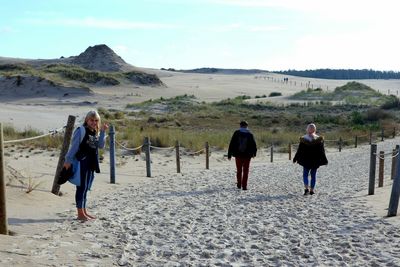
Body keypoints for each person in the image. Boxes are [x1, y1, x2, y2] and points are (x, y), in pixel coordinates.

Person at [64, 110, 108, 221]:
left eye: (96, 120)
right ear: (87, 120)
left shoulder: (95, 131)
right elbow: (73, 147)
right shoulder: (81, 130)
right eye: (91, 120)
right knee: (81, 187)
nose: (94, 122)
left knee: (85, 188)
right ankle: (80, 214)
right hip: (81, 163)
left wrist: (102, 131)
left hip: (91, 163)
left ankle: (84, 211)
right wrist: (68, 160)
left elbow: (101, 146)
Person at [293, 123, 328, 195]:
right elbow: (322, 151)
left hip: (306, 161)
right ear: (315, 130)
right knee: (313, 175)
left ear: (307, 129)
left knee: (305, 175)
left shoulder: (303, 139)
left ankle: (306, 189)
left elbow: (299, 150)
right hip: (315, 161)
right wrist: (325, 160)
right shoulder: (319, 139)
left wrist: (295, 158)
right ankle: (311, 190)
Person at [228, 121, 257, 190]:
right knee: (246, 170)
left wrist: (229, 154)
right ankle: (244, 186)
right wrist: (254, 154)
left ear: (240, 126)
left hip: (238, 155)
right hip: (247, 156)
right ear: (247, 126)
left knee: (239, 170)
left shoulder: (236, 133)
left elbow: (231, 143)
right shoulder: (250, 134)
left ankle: (239, 184)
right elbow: (254, 145)